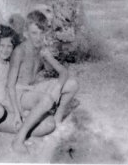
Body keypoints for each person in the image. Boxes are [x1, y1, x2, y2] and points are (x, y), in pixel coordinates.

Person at [7, 10, 79, 153]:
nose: (38, 38)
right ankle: (18, 139)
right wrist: (16, 112)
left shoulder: (41, 50)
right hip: (20, 93)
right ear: (26, 33)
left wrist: (58, 88)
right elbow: (9, 86)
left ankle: (57, 119)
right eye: (34, 33)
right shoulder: (19, 51)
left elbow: (63, 72)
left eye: (41, 33)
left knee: (72, 84)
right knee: (47, 100)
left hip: (33, 89)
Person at [0, 25, 56, 140]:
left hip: (5, 99)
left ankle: (17, 119)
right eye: (2, 46)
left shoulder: (10, 61)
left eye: (9, 47)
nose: (5, 50)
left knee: (25, 114)